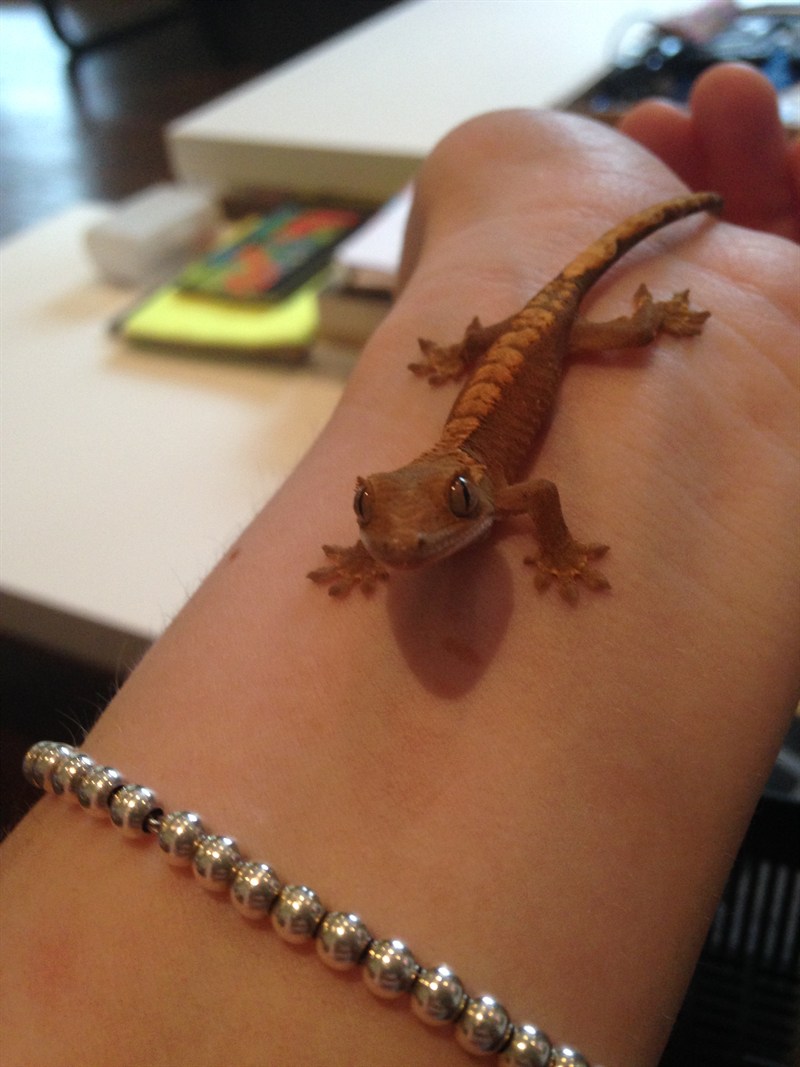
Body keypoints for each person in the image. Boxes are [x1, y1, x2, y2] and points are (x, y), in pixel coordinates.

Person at [1, 63, 797, 1067]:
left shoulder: (498, 490)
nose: (402, 545)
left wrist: (558, 541)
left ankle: (635, 314)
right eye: (372, 517)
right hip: (519, 329)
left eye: (448, 515)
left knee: (569, 334)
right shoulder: (421, 502)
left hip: (548, 332)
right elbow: (405, 523)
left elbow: (541, 495)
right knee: (525, 340)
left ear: (470, 495)